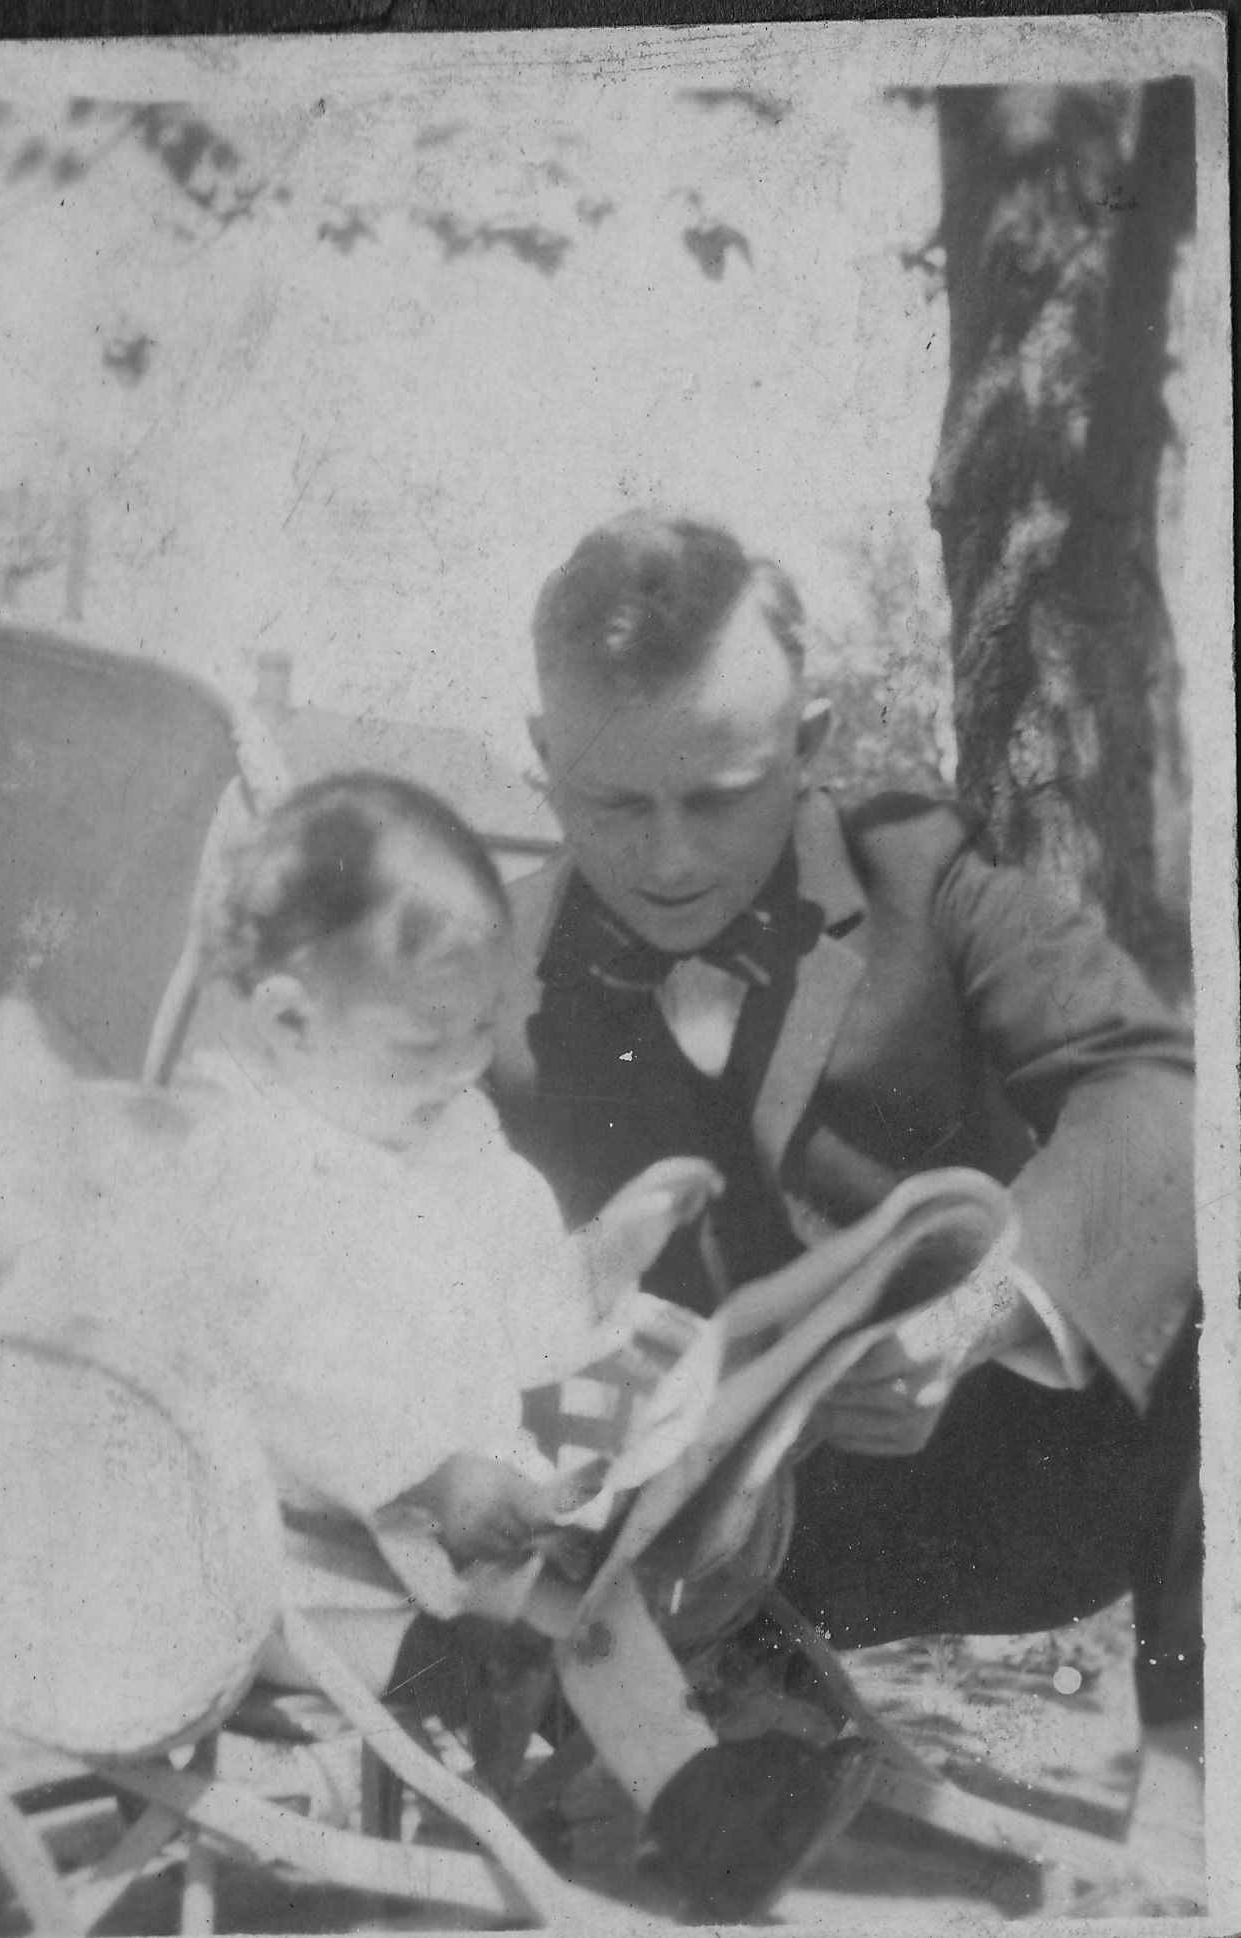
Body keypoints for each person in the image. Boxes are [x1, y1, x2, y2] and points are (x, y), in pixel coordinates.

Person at [490, 510, 1200, 1732]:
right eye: (611, 804)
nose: (668, 860)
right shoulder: (480, 973)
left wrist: (974, 1321)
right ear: (544, 756)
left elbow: (1159, 1092)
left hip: (988, 1493)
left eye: (719, 798)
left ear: (808, 745)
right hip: (677, 1566)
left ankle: (1200, 1782)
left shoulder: (921, 873)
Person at [168, 769, 872, 1919]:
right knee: (560, 1599)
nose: (461, 1068)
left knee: (653, 1370)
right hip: (319, 1557)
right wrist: (431, 1475)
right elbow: (292, 1379)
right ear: (292, 1023)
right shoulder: (255, 1165)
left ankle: (697, 1735)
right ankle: (696, 1797)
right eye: (425, 1039)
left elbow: (515, 1300)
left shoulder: (436, 1128)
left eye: (479, 1031)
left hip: (478, 1494)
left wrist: (607, 1258)